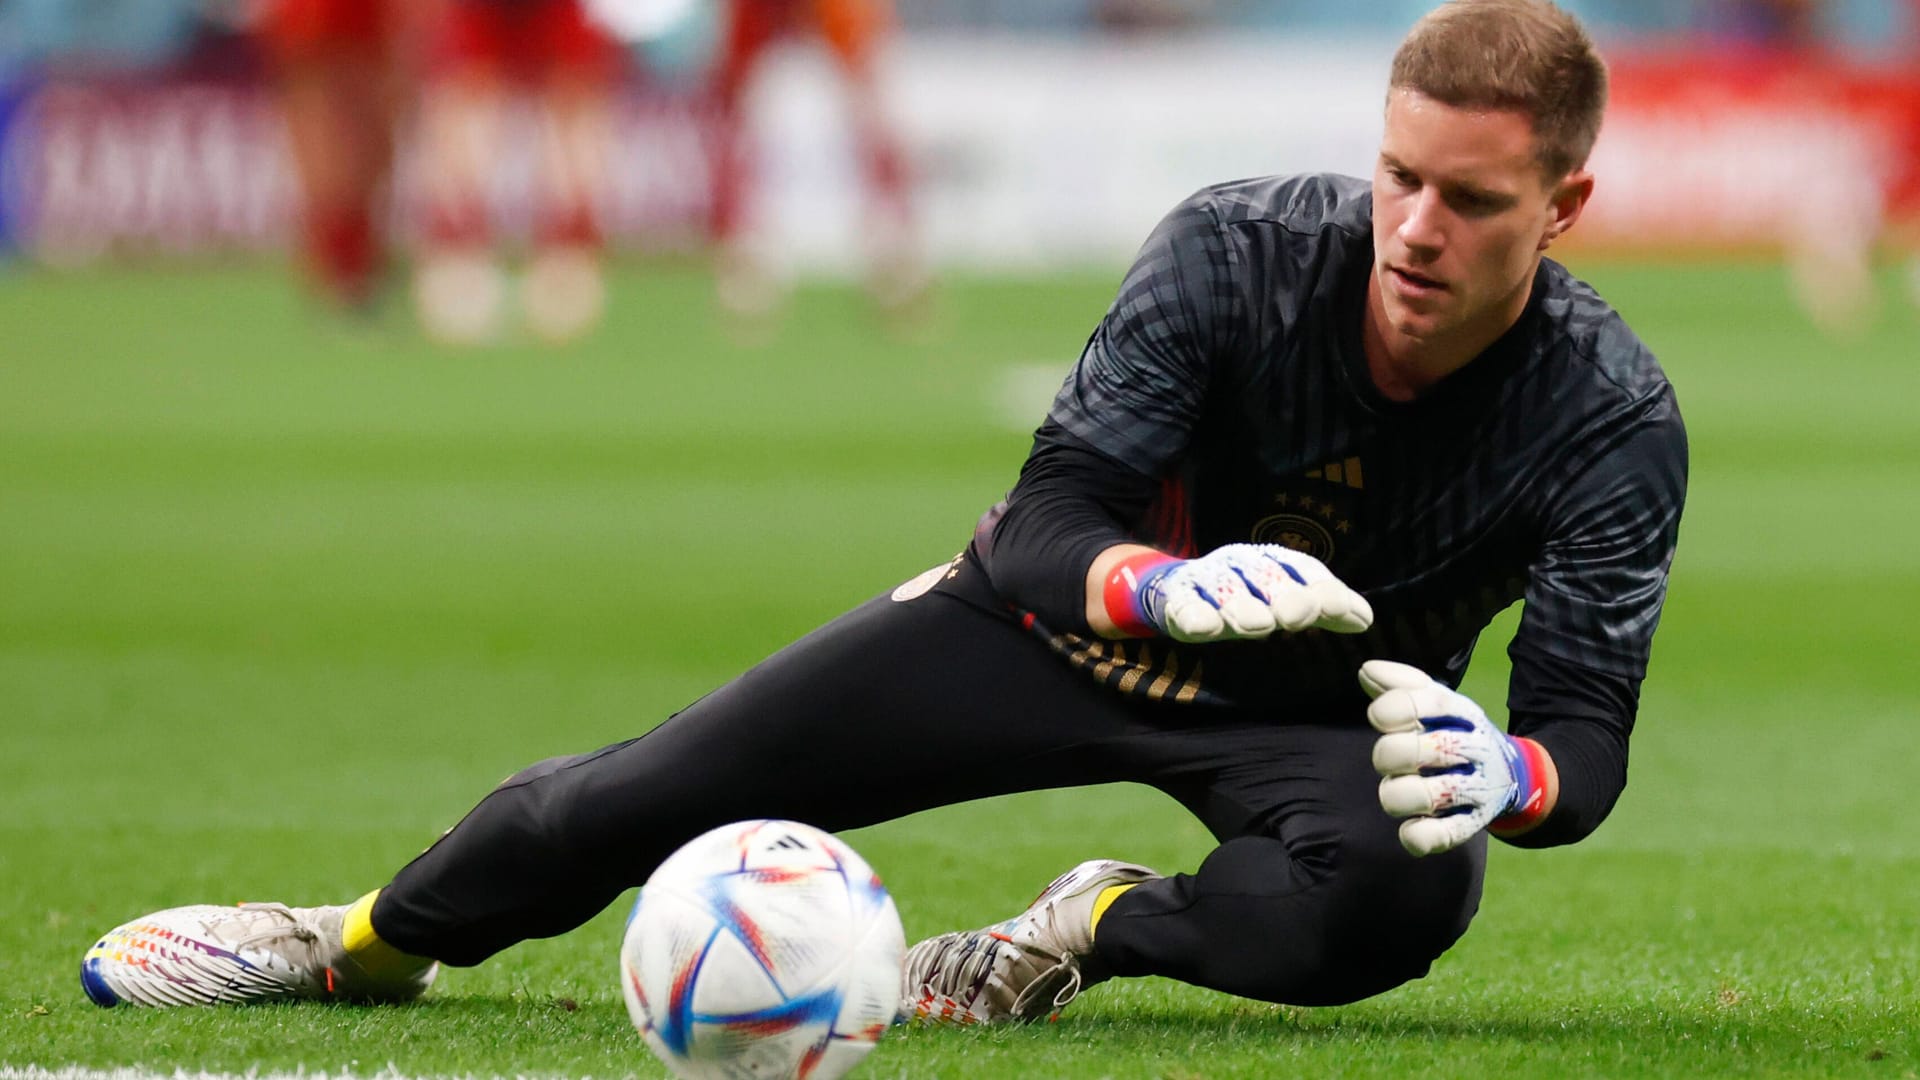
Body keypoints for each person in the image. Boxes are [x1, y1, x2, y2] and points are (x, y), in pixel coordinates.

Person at [78, 0, 1687, 1024]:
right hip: (1054, 630)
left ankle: (1097, 927)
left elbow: (1583, 741)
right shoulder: (1239, 251)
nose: (1413, 227)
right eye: (1398, 173)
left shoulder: (1608, 414)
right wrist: (1154, 587)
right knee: (629, 805)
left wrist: (1517, 774)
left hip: (1312, 717)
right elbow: (1055, 513)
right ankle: (349, 940)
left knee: (1407, 898)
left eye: (1470, 200)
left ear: (1565, 205)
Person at [410, 0, 620, 344]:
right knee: (466, 107)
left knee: (573, 110)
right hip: (477, 11)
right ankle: (459, 257)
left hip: (558, 10)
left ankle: (567, 262)